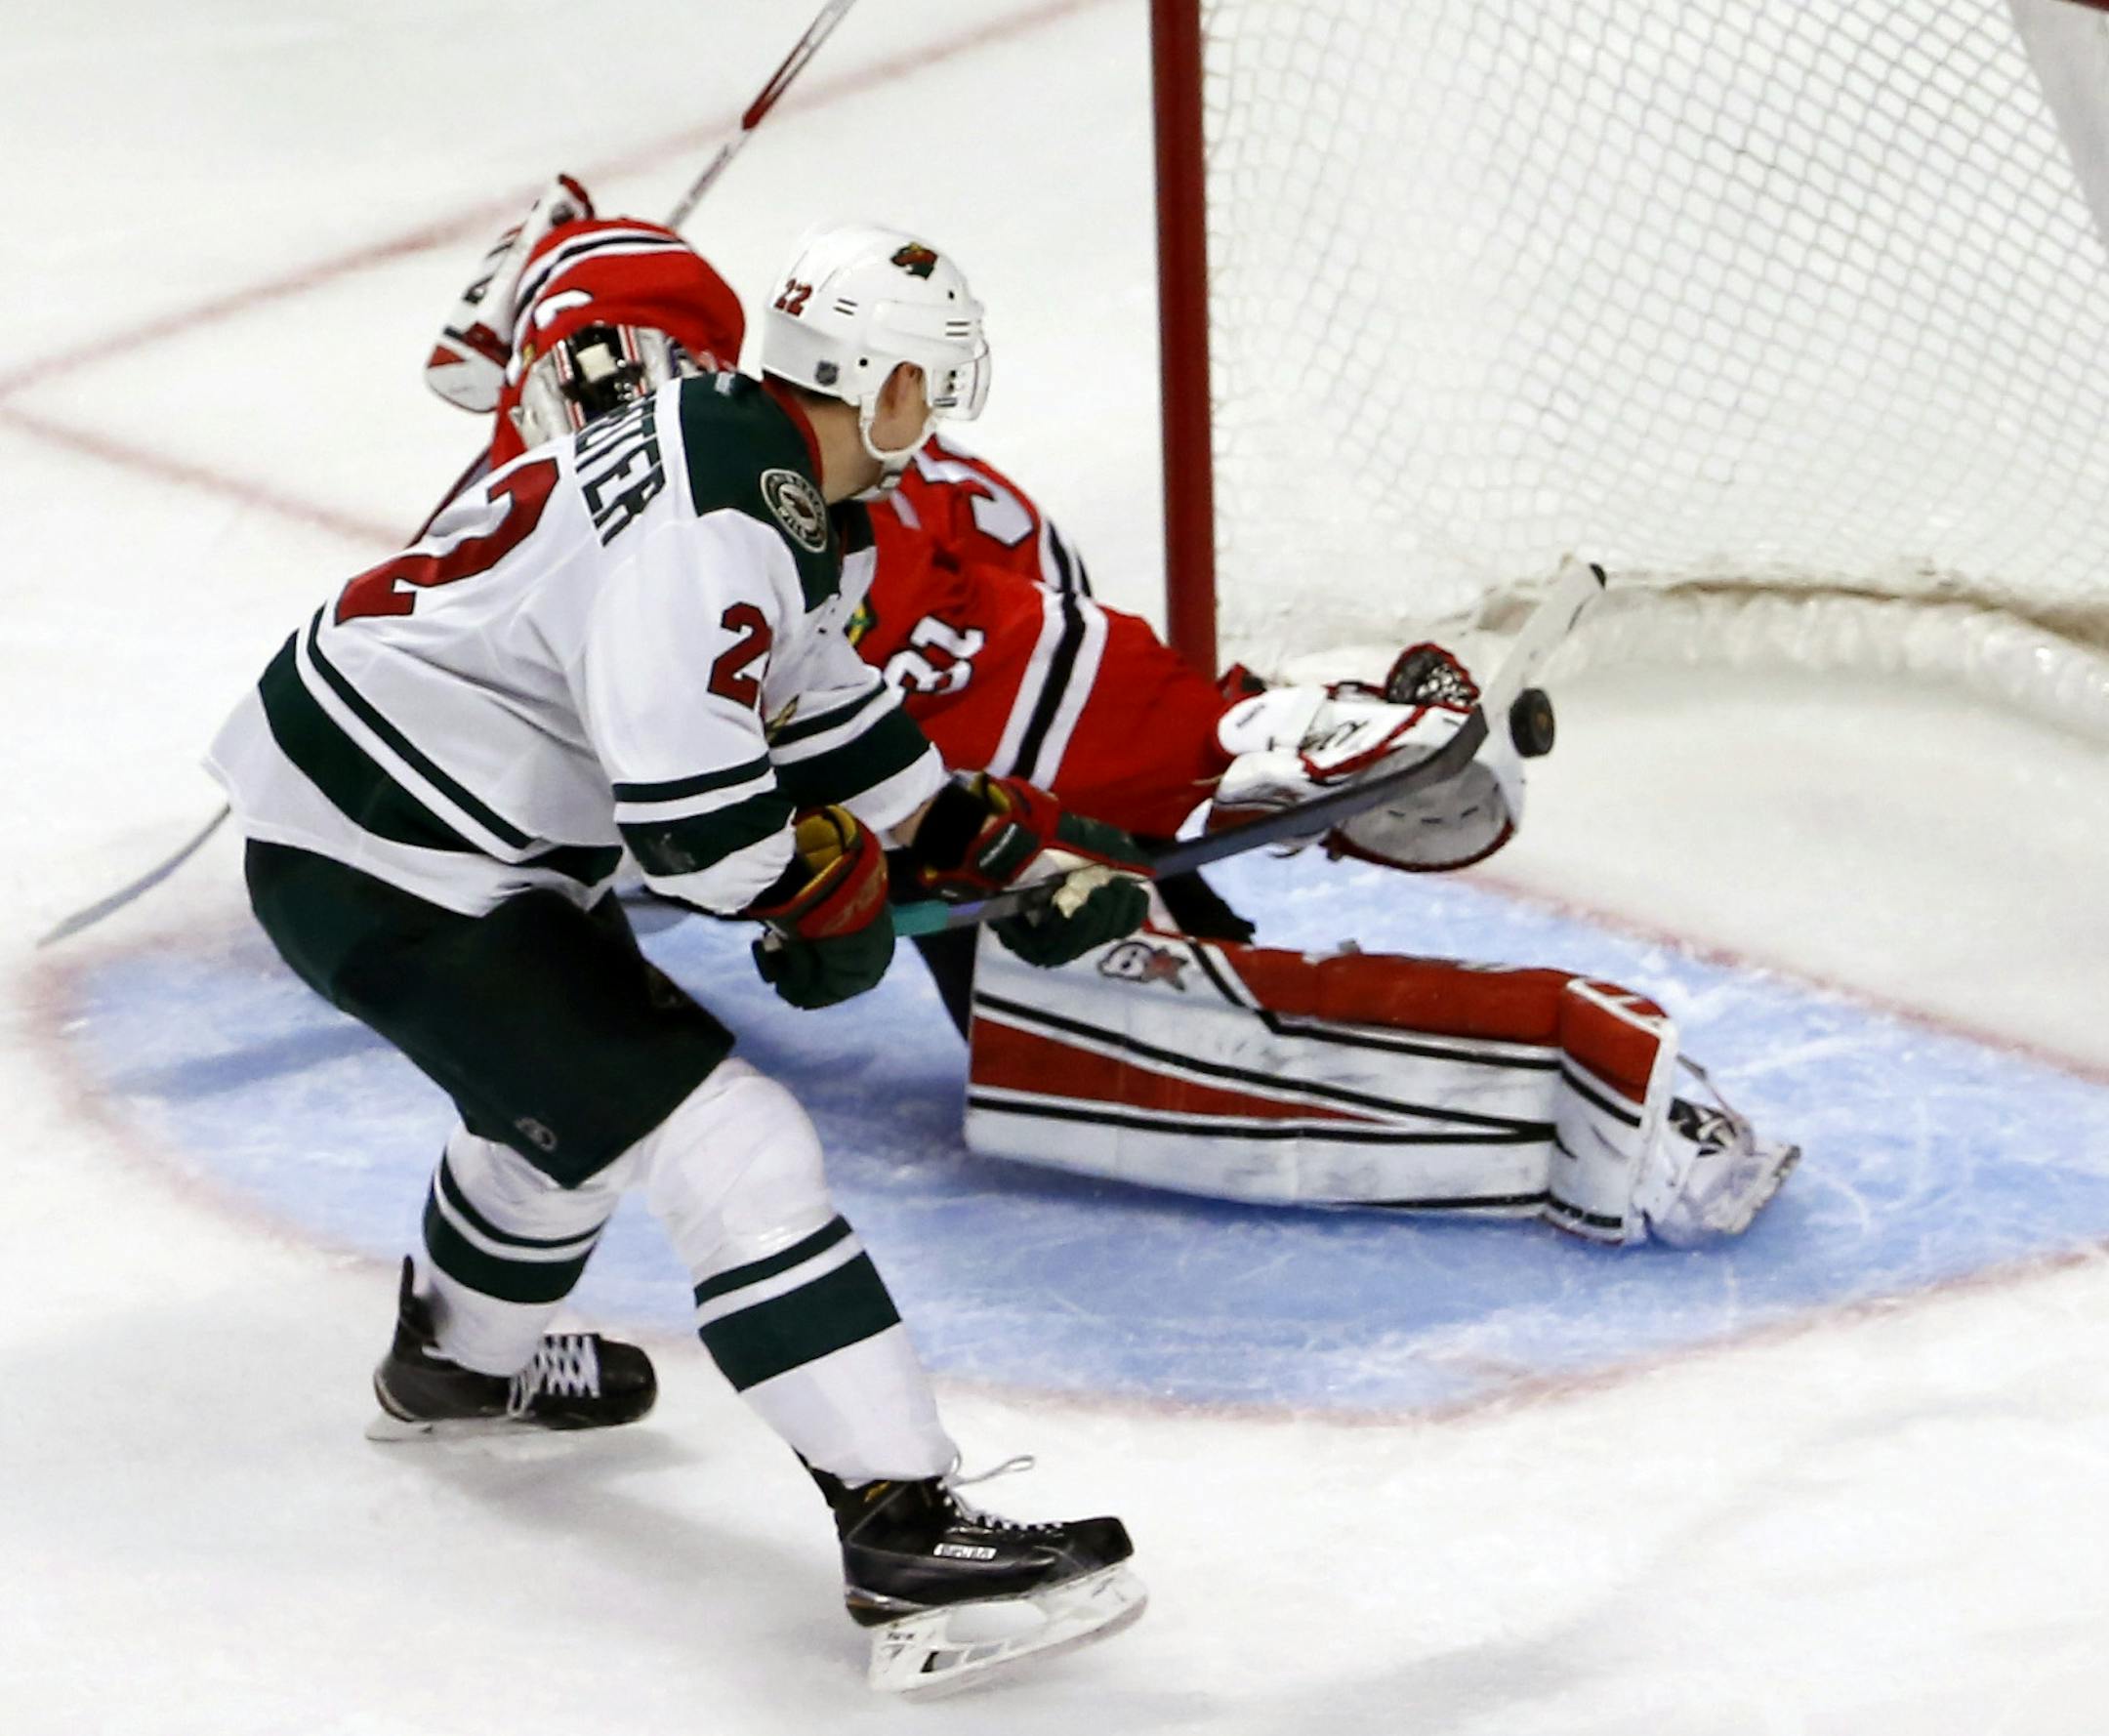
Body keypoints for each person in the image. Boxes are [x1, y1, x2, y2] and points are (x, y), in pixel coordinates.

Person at [418, 177, 1799, 1249]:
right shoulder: (625, 472)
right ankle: (1235, 751)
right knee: (1051, 984)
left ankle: (1239, 745)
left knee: (1070, 989)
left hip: (922, 634)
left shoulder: (810, 509)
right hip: (805, 670)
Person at [208, 219, 1153, 1694]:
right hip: (393, 856)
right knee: (734, 1139)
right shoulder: (721, 515)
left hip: (411, 824)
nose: (938, 422)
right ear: (884, 386)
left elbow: (810, 688)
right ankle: (905, 1531)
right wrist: (819, 886)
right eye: (929, 389)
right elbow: (698, 826)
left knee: (569, 1113)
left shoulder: (754, 459)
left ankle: (458, 1360)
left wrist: (988, 842)